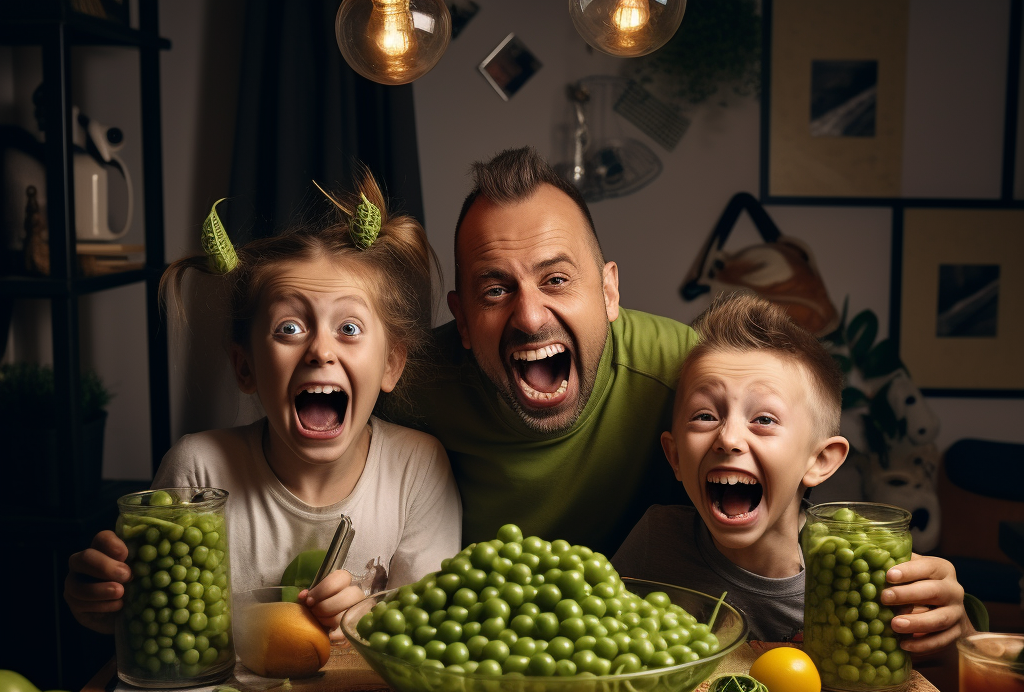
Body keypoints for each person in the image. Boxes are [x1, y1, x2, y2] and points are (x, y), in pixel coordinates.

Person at [64, 171, 462, 637]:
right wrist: (102, 603)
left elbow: (429, 632)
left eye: (349, 329)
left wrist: (363, 621)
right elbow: (153, 625)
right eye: (289, 329)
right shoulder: (197, 472)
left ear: (391, 365)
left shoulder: (417, 467)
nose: (320, 351)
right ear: (245, 367)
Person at [613, 294, 970, 654]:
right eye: (705, 415)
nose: (729, 438)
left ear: (820, 461)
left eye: (764, 420)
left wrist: (959, 631)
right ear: (675, 456)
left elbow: (952, 680)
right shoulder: (654, 543)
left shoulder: (862, 571)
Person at [398, 146, 699, 555]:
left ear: (608, 291)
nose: (530, 318)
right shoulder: (404, 385)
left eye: (556, 279)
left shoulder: (688, 374)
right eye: (496, 291)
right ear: (463, 320)